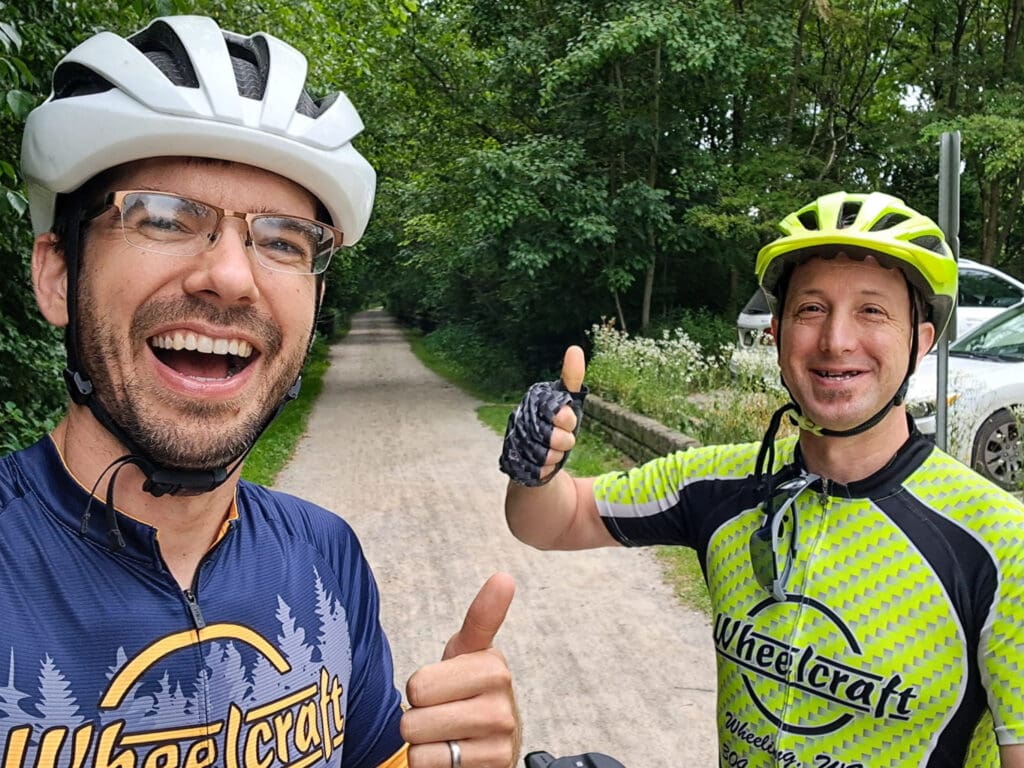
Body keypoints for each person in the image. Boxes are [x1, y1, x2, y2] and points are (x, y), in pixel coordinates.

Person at [0, 15, 518, 768]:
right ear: (57, 274)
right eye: (167, 217)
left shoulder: (325, 555)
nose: (232, 277)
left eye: (280, 240)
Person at [500, 191, 1024, 767]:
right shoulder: (720, 482)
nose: (835, 340)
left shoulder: (1000, 542)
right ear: (777, 334)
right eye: (811, 309)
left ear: (920, 342)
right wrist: (536, 466)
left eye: (872, 311)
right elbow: (554, 521)